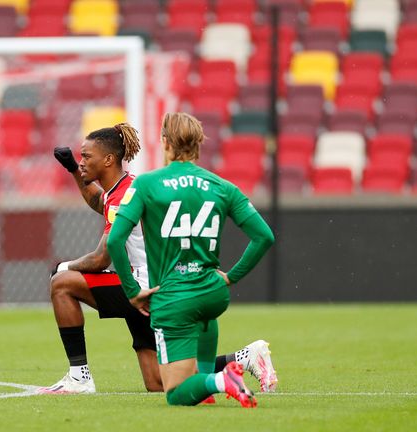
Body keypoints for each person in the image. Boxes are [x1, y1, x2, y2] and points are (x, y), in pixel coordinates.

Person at [40, 123, 277, 396]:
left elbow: (100, 259)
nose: (82, 162)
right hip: (159, 284)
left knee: (62, 284)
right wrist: (72, 169)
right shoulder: (125, 188)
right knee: (158, 382)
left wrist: (63, 267)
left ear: (108, 159)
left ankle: (78, 377)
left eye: (86, 157)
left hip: (145, 289)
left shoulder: (124, 195)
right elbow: (99, 202)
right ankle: (245, 358)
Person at [107, 113, 275, 408]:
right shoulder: (221, 186)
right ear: (199, 144)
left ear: (164, 142)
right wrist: (230, 277)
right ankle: (208, 387)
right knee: (205, 320)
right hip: (213, 293)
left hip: (173, 297)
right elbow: (264, 237)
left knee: (174, 392)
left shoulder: (146, 184)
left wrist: (133, 292)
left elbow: (115, 240)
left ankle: (222, 380)